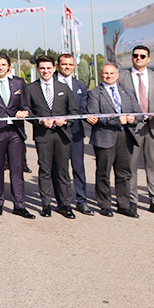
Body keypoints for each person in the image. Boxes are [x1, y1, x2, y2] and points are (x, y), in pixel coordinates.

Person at [84, 63, 142, 216]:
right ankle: (105, 205)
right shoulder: (95, 93)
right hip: (105, 137)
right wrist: (118, 120)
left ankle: (124, 205)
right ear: (101, 75)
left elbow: (139, 113)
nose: (109, 76)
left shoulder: (128, 92)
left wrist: (132, 118)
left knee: (124, 173)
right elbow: (94, 116)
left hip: (126, 136)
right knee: (103, 173)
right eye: (105, 73)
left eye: (112, 73)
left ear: (117, 75)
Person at [25, 56, 78, 217]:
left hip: (62, 135)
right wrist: (40, 121)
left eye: (48, 68)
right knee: (45, 170)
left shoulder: (63, 87)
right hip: (43, 136)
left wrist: (65, 121)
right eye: (42, 68)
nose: (45, 71)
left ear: (54, 68)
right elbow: (27, 113)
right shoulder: (31, 89)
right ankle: (46, 204)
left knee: (63, 171)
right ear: (38, 69)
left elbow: (74, 112)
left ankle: (65, 204)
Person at [123, 46, 154, 217]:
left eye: (142, 56)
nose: (139, 58)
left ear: (148, 59)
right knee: (131, 166)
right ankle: (131, 201)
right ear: (132, 58)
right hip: (132, 128)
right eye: (136, 55)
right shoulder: (122, 77)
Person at [0, 52, 32, 218]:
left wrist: (25, 112)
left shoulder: (18, 83)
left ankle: (19, 205)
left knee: (17, 169)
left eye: (4, 64)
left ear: (9, 66)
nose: (1, 67)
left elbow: (26, 106)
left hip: (15, 132)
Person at [55, 53, 93, 215]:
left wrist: (89, 115)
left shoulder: (80, 86)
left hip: (76, 133)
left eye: (70, 65)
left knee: (78, 168)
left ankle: (81, 200)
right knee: (58, 169)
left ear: (74, 66)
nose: (67, 67)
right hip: (56, 133)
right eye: (64, 64)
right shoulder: (51, 83)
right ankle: (61, 201)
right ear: (58, 65)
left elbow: (82, 109)